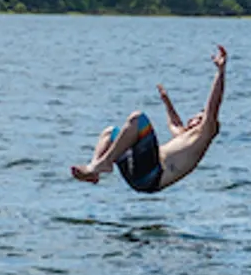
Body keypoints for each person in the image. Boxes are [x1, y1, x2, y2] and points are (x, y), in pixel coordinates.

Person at [71, 45, 227, 193]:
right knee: (110, 133)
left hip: (153, 176)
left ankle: (103, 163)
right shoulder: (184, 136)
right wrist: (166, 101)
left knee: (138, 119)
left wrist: (220, 72)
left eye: (199, 118)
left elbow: (213, 106)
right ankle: (94, 170)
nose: (194, 119)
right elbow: (174, 123)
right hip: (138, 176)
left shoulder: (203, 136)